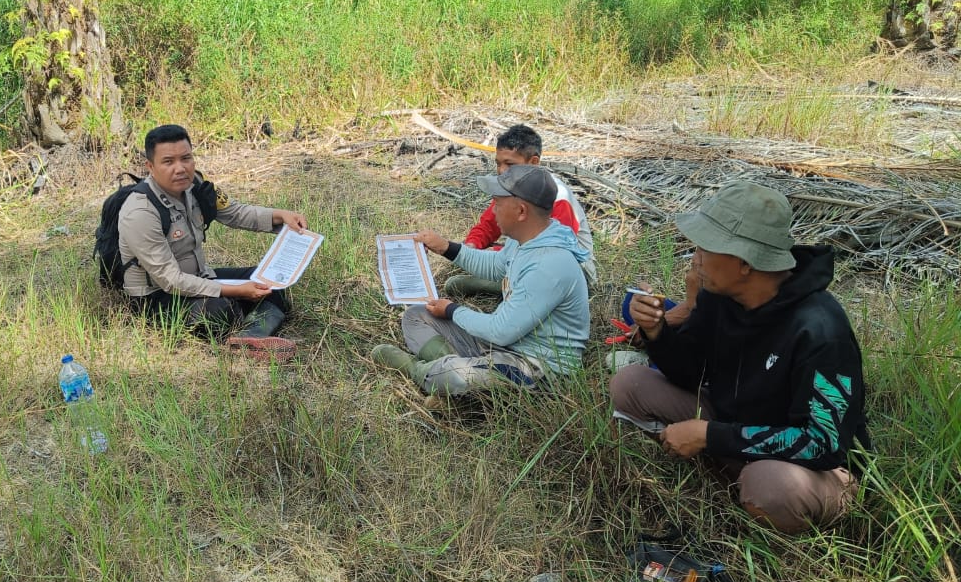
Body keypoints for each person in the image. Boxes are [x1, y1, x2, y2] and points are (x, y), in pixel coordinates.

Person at [609, 181, 870, 534]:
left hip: (814, 469)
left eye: (706, 247)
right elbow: (690, 371)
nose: (695, 257)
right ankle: (730, 483)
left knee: (770, 485)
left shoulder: (821, 329)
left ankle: (765, 510)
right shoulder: (720, 297)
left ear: (745, 262)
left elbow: (822, 443)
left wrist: (711, 436)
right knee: (630, 384)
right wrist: (656, 332)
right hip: (734, 428)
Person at [371, 165, 591, 398]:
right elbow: (495, 267)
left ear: (521, 211)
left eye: (497, 203)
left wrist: (453, 310)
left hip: (539, 368)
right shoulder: (526, 239)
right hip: (507, 345)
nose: (493, 211)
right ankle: (460, 381)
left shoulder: (550, 264)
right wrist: (446, 247)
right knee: (416, 317)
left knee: (455, 374)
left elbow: (500, 331)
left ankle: (419, 370)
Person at [118, 124, 308, 361]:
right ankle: (246, 331)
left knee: (272, 282)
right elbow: (171, 281)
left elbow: (236, 212)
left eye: (186, 158)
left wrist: (280, 216)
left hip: (200, 277)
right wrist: (237, 291)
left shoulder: (196, 185)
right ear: (150, 166)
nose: (180, 168)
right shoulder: (140, 212)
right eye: (168, 162)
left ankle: (249, 337)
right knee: (222, 310)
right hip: (158, 297)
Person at [445, 124, 596, 296]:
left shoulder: (556, 196)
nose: (502, 171)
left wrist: (495, 255)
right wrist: (472, 245)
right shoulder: (513, 187)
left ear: (533, 163)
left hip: (572, 273)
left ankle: (507, 286)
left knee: (457, 283)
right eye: (498, 163)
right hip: (532, 259)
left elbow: (556, 254)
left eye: (510, 164)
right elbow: (488, 225)